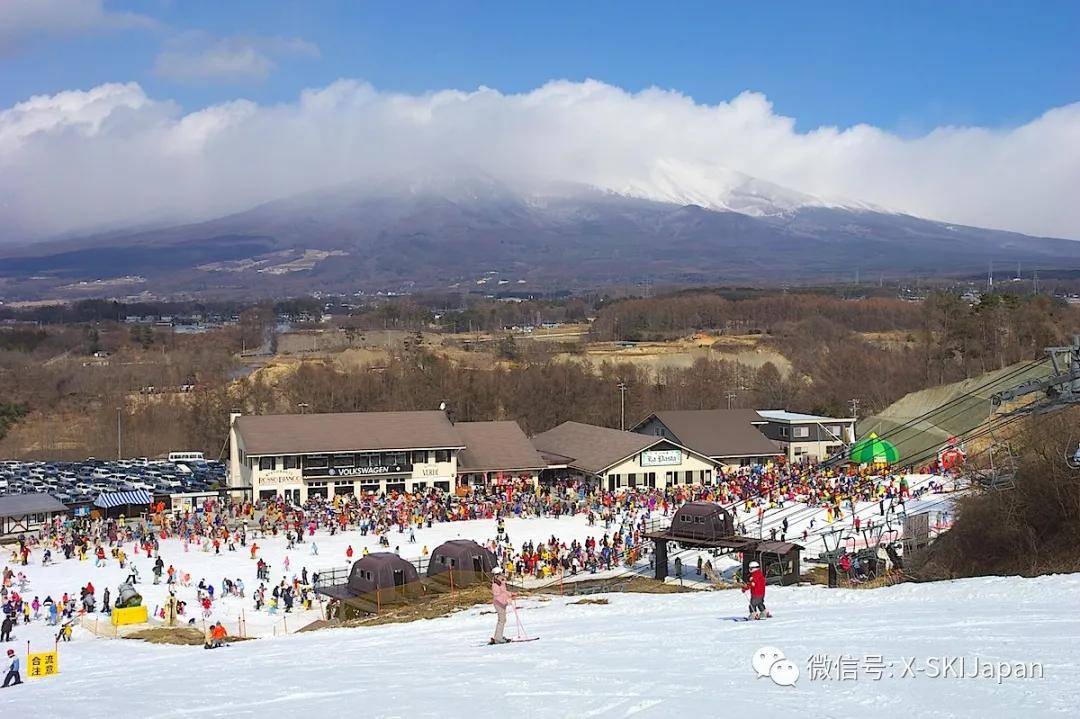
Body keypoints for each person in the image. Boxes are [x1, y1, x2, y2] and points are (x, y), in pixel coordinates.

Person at [490, 567, 513, 644]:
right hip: (499, 604)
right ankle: (498, 638)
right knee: (501, 620)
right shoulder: (495, 585)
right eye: (500, 575)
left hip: (502, 604)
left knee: (503, 620)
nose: (502, 576)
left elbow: (504, 592)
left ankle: (498, 636)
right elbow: (498, 597)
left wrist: (511, 594)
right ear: (496, 576)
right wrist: (506, 601)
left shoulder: (501, 583)